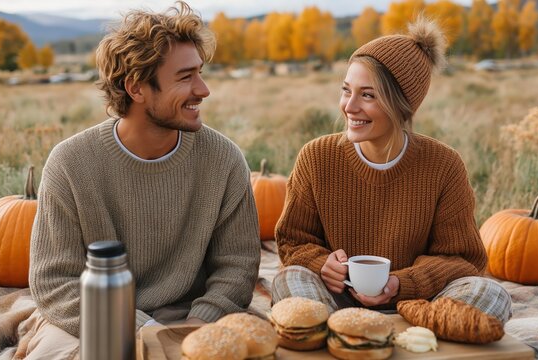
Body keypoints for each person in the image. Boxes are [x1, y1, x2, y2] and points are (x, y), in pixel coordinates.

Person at [27, 1, 260, 358]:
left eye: (200, 72)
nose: (203, 89)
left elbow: (238, 265)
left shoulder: (223, 159)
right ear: (136, 89)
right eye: (185, 77)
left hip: (192, 317)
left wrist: (198, 327)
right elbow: (54, 283)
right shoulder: (70, 164)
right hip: (94, 320)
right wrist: (145, 332)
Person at [272, 17, 511, 325]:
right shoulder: (316, 157)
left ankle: (390, 334)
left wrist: (402, 283)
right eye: (347, 90)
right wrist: (322, 264)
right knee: (288, 280)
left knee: (490, 294)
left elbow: (463, 260)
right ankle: (348, 334)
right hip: (337, 300)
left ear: (402, 105)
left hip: (419, 303)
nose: (349, 106)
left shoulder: (444, 165)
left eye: (368, 95)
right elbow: (292, 241)